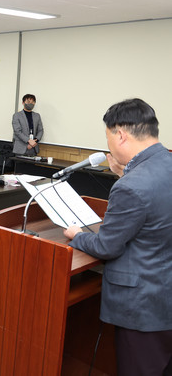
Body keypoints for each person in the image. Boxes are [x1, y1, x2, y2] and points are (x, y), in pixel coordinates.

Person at [63, 98, 172, 375]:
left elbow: (106, 246)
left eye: (108, 137)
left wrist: (77, 235)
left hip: (143, 308)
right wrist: (125, 173)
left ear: (120, 135)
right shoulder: (165, 163)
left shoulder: (131, 186)